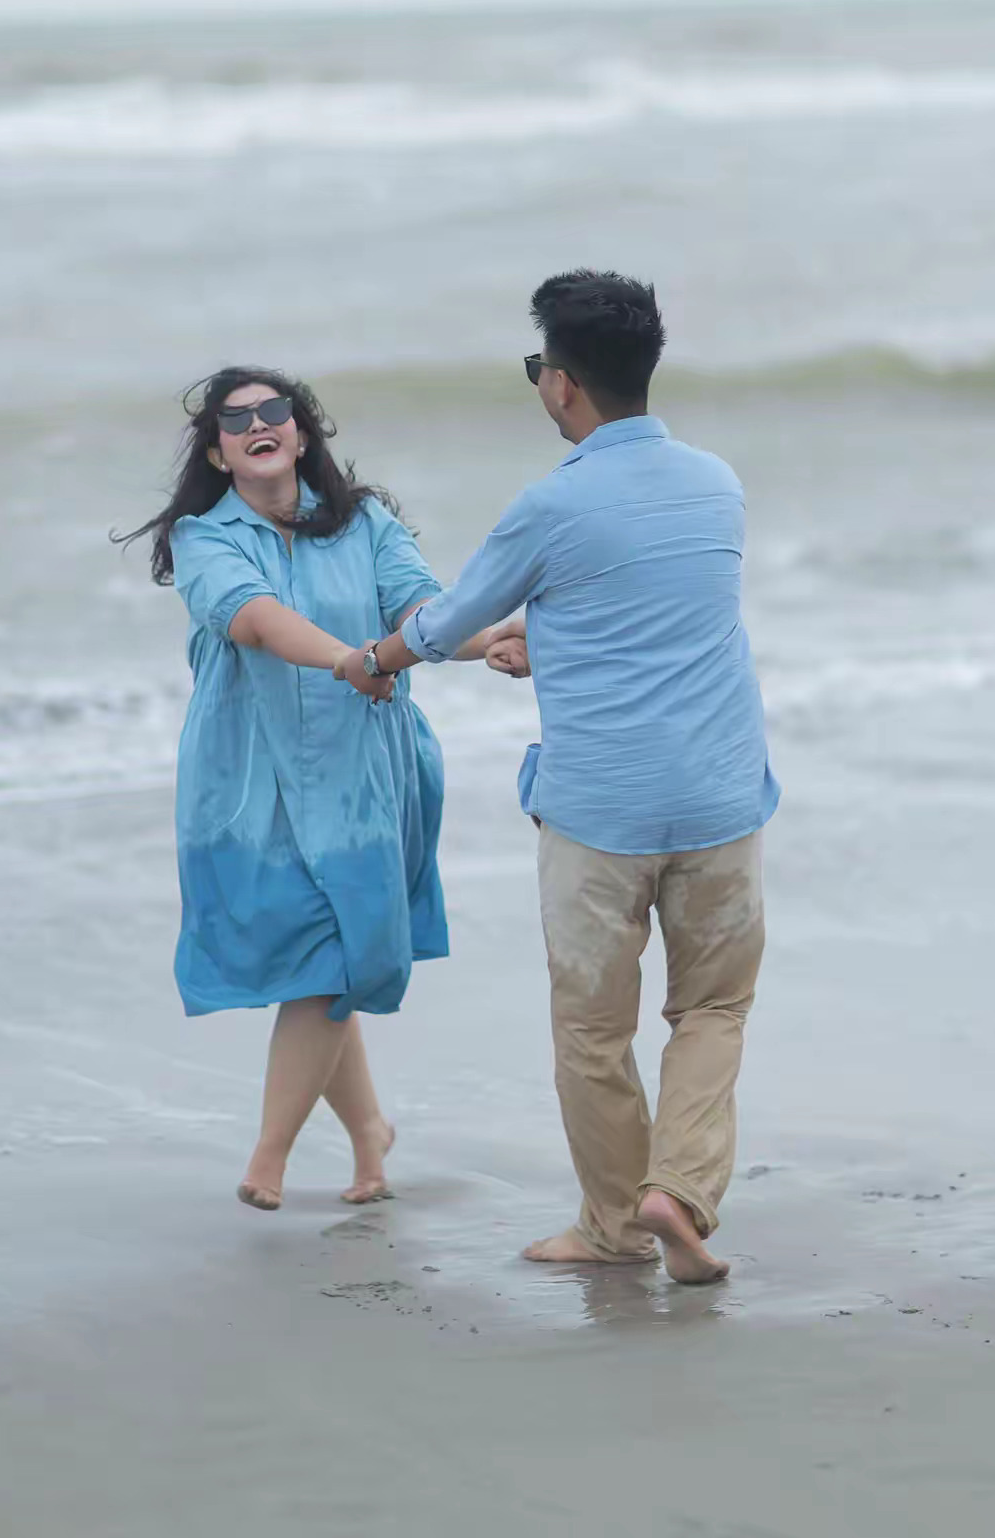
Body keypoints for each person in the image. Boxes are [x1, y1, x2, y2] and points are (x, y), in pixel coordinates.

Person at [341, 272, 779, 1283]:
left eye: (540, 366)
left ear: (562, 384)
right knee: (712, 1011)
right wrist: (559, 644)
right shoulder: (717, 484)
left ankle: (616, 1224)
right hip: (719, 797)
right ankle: (681, 1189)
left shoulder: (552, 505)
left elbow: (445, 623)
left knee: (592, 1029)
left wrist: (371, 662)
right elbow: (663, 613)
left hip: (599, 813)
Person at [118, 367, 518, 1211]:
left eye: (275, 411)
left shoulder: (364, 524)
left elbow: (423, 612)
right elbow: (255, 619)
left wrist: (493, 640)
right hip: (250, 780)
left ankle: (270, 1157)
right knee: (318, 958)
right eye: (236, 421)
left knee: (335, 957)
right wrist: (348, 658)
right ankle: (370, 1130)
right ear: (218, 454)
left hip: (364, 772)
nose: (258, 425)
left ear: (301, 434)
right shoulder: (204, 538)